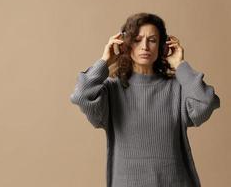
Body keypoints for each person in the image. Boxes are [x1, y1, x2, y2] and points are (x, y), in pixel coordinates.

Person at [69, 12, 220, 187]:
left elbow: (206, 103)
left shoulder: (177, 88)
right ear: (126, 45)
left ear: (162, 46)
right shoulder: (112, 90)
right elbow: (81, 95)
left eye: (152, 40)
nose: (145, 47)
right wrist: (105, 61)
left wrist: (180, 66)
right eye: (137, 39)